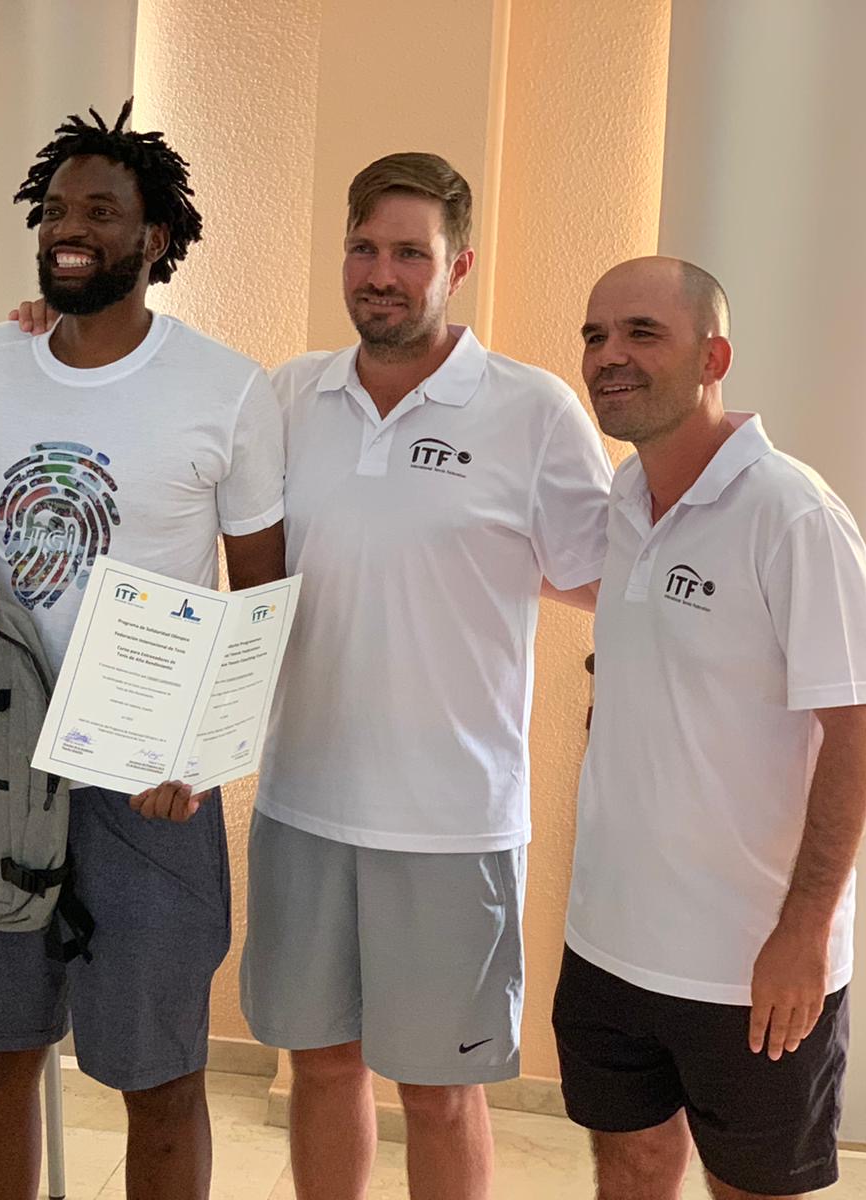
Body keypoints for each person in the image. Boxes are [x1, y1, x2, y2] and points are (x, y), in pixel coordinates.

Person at [0, 100, 286, 1200]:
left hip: (147, 782)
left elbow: (260, 602)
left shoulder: (227, 388)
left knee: (157, 1073)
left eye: (101, 211)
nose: (69, 228)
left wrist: (203, 753)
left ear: (154, 238)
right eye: (55, 209)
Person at [240, 153, 613, 1200]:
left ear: (459, 267)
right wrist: (54, 332)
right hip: (303, 803)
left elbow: (602, 576)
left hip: (452, 823)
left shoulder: (532, 410)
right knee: (321, 1067)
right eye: (364, 248)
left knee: (440, 1095)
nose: (381, 273)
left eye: (411, 253)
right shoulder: (289, 394)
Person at [555, 256, 866, 1200]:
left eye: (642, 333)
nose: (608, 355)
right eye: (595, 335)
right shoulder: (623, 497)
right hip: (609, 943)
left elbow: (856, 733)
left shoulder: (793, 515)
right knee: (630, 1166)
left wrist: (804, 930)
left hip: (751, 967)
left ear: (713, 357)